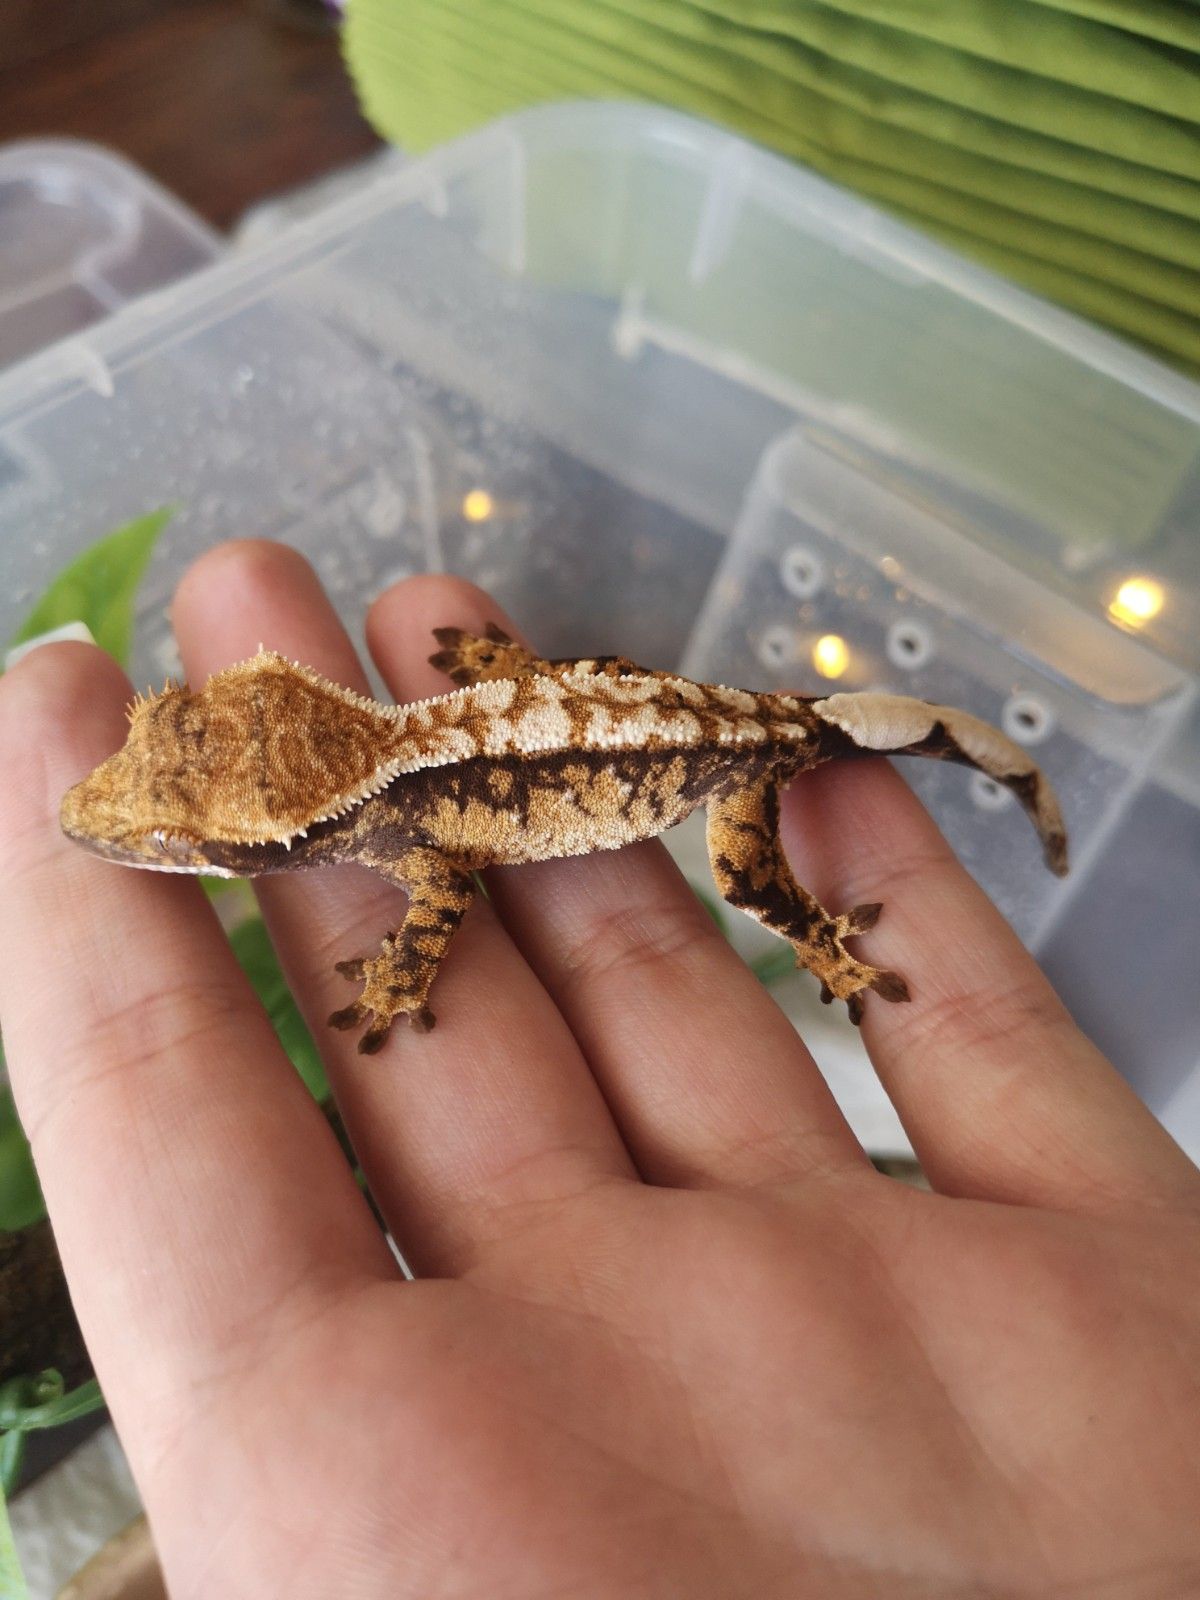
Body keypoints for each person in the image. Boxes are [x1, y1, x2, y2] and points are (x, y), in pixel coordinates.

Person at [1, 539, 1197, 1599]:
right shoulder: (395, 776)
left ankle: (830, 933)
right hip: (630, 708)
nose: (131, 835)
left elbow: (445, 896)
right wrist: (514, 684)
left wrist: (403, 977)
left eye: (175, 842)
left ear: (286, 839)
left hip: (714, 756)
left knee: (746, 881)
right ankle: (992, 792)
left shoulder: (406, 826)